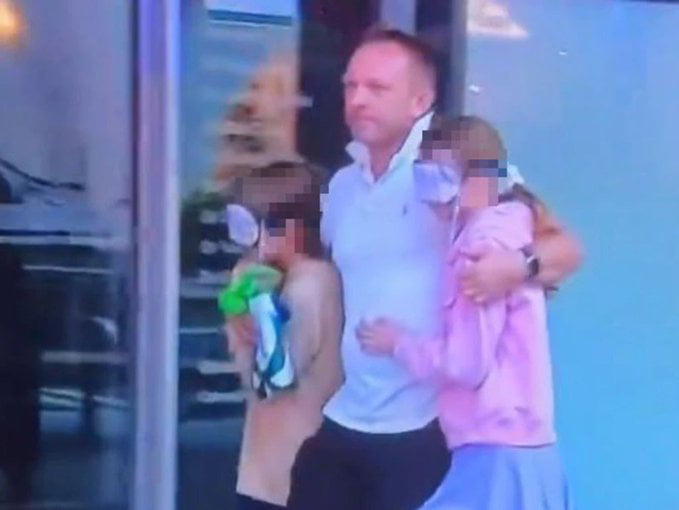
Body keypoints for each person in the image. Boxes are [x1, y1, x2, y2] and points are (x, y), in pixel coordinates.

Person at [286, 28, 581, 510]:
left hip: (429, 431)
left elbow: (566, 249)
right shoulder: (341, 187)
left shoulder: (452, 168)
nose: (358, 99)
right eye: (350, 86)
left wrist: (514, 266)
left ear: (419, 99)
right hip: (349, 414)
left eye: (377, 88)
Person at [357, 115, 572, 509]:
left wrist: (398, 343)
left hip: (496, 450)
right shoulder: (513, 230)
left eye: (437, 181)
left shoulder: (479, 248)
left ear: (482, 179)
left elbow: (466, 364)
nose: (430, 198)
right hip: (523, 447)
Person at [225, 161, 344, 510]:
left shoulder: (311, 283)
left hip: (294, 480)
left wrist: (249, 309)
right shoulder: (276, 277)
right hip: (263, 475)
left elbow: (271, 378)